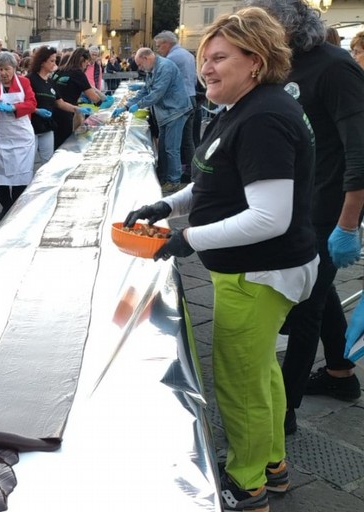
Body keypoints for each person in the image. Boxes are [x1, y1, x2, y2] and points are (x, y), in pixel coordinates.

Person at [126, 8, 318, 511]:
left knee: (239, 380)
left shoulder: (265, 117)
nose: (205, 68)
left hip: (260, 270)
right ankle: (272, 462)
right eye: (204, 58)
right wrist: (168, 205)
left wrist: (189, 238)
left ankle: (247, 482)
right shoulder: (242, 107)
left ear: (256, 61)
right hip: (255, 268)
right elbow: (214, 179)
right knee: (261, 373)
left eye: (219, 58)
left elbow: (269, 217)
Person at [247, 0, 364, 435]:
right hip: (298, 202)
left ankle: (284, 413)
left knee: (305, 305)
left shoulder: (335, 68)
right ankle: (339, 374)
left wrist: (348, 224)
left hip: (330, 208)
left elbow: (359, 148)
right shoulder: (284, 66)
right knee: (320, 288)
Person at [114, 48, 192, 193]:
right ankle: (162, 176)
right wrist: (126, 105)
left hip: (174, 111)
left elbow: (157, 93)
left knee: (171, 148)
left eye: (140, 64)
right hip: (166, 112)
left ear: (146, 58)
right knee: (162, 147)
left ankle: (174, 181)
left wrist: (139, 105)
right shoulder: (153, 68)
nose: (139, 67)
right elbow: (146, 90)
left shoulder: (165, 67)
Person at [0, 51, 37, 220]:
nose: (3, 73)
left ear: (14, 68)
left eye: (7, 69)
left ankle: (17, 207)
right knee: (0, 175)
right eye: (1, 69)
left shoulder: (24, 82)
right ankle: (6, 206)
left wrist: (15, 108)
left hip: (21, 137)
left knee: (20, 173)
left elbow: (32, 103)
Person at [154, 30, 197, 183]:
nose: (158, 50)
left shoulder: (171, 58)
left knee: (172, 144)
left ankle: (172, 178)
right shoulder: (188, 55)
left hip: (178, 104)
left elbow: (161, 83)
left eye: (159, 46)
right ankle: (192, 172)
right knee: (187, 140)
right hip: (191, 98)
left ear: (167, 44)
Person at [27, 46, 78, 165]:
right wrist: (36, 110)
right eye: (51, 61)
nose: (54, 64)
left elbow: (60, 103)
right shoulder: (30, 79)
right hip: (32, 126)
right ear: (42, 62)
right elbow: (24, 102)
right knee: (28, 161)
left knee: (48, 161)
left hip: (47, 126)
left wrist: (77, 109)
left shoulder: (51, 82)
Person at [52, 48, 104, 149]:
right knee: (65, 145)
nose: (87, 65)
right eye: (87, 62)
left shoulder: (59, 70)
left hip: (54, 111)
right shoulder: (78, 73)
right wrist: (102, 103)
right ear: (83, 60)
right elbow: (93, 96)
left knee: (56, 144)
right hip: (66, 112)